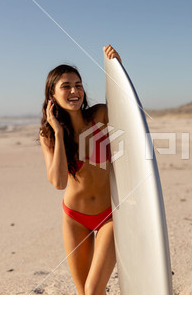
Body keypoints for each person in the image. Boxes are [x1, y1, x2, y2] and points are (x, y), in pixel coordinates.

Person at [38, 45, 121, 295]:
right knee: (83, 293)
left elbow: (128, 108)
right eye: (66, 86)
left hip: (110, 215)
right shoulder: (48, 135)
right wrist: (59, 133)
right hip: (75, 217)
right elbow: (59, 182)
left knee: (94, 289)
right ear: (52, 95)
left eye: (78, 84)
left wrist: (117, 67)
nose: (74, 91)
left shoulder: (100, 116)